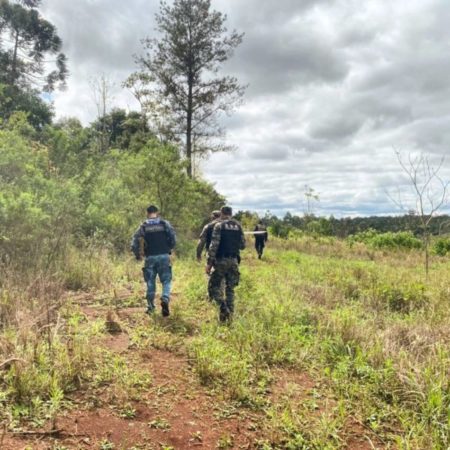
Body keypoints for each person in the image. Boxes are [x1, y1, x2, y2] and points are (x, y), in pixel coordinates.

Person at [131, 205, 176, 317]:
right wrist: (169, 248)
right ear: (157, 212)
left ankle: (150, 307)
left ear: (147, 213)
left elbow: (134, 242)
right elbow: (173, 238)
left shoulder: (143, 226)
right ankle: (165, 298)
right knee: (166, 280)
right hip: (164, 256)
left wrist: (137, 255)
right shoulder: (164, 224)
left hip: (150, 257)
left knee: (150, 283)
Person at [206, 206, 245, 322]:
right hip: (234, 261)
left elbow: (214, 246)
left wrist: (209, 263)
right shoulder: (238, 226)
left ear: (222, 213)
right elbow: (243, 245)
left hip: (221, 261)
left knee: (213, 287)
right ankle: (229, 316)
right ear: (231, 214)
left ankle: (223, 307)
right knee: (230, 288)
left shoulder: (219, 226)